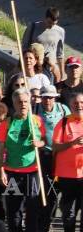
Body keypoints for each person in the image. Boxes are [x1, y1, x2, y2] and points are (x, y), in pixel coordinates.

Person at [0, 88, 48, 232]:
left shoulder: (36, 120)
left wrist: (40, 143)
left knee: (32, 209)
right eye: (20, 102)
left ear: (30, 102)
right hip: (12, 171)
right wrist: (1, 171)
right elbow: (0, 149)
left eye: (26, 101)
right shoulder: (7, 122)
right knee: (13, 211)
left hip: (32, 171)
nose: (23, 104)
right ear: (14, 103)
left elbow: (44, 140)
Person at [54, 92, 83, 232]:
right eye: (76, 103)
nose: (79, 106)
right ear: (71, 106)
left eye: (81, 103)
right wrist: (72, 143)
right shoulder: (64, 122)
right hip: (67, 176)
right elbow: (55, 146)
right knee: (68, 214)